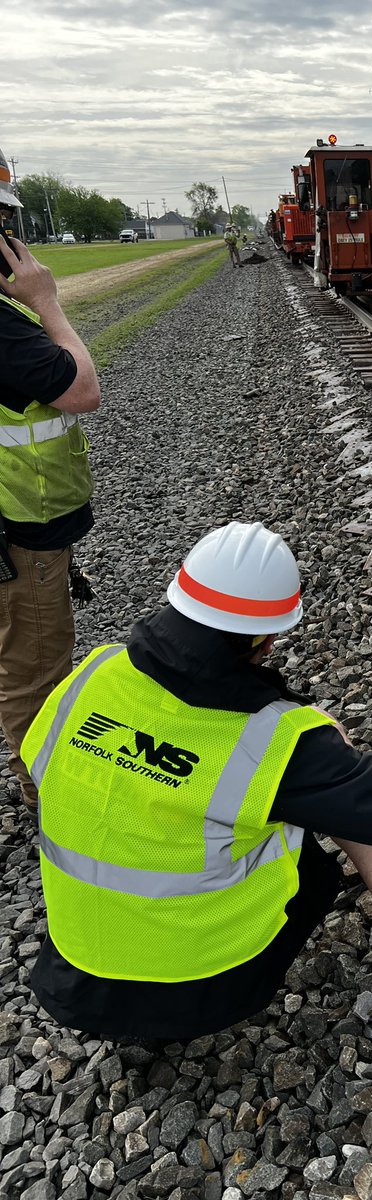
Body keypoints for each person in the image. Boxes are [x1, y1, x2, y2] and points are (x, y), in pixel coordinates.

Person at [22, 522, 372, 1042]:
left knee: (269, 783)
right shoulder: (268, 744)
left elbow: (50, 764)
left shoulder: (95, 673)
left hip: (72, 973)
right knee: (312, 796)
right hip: (193, 988)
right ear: (265, 638)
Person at [0, 147, 101, 826]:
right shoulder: (6, 330)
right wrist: (47, 302)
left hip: (17, 532)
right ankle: (52, 800)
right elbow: (82, 388)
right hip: (20, 540)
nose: (21, 246)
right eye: (11, 232)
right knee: (34, 674)